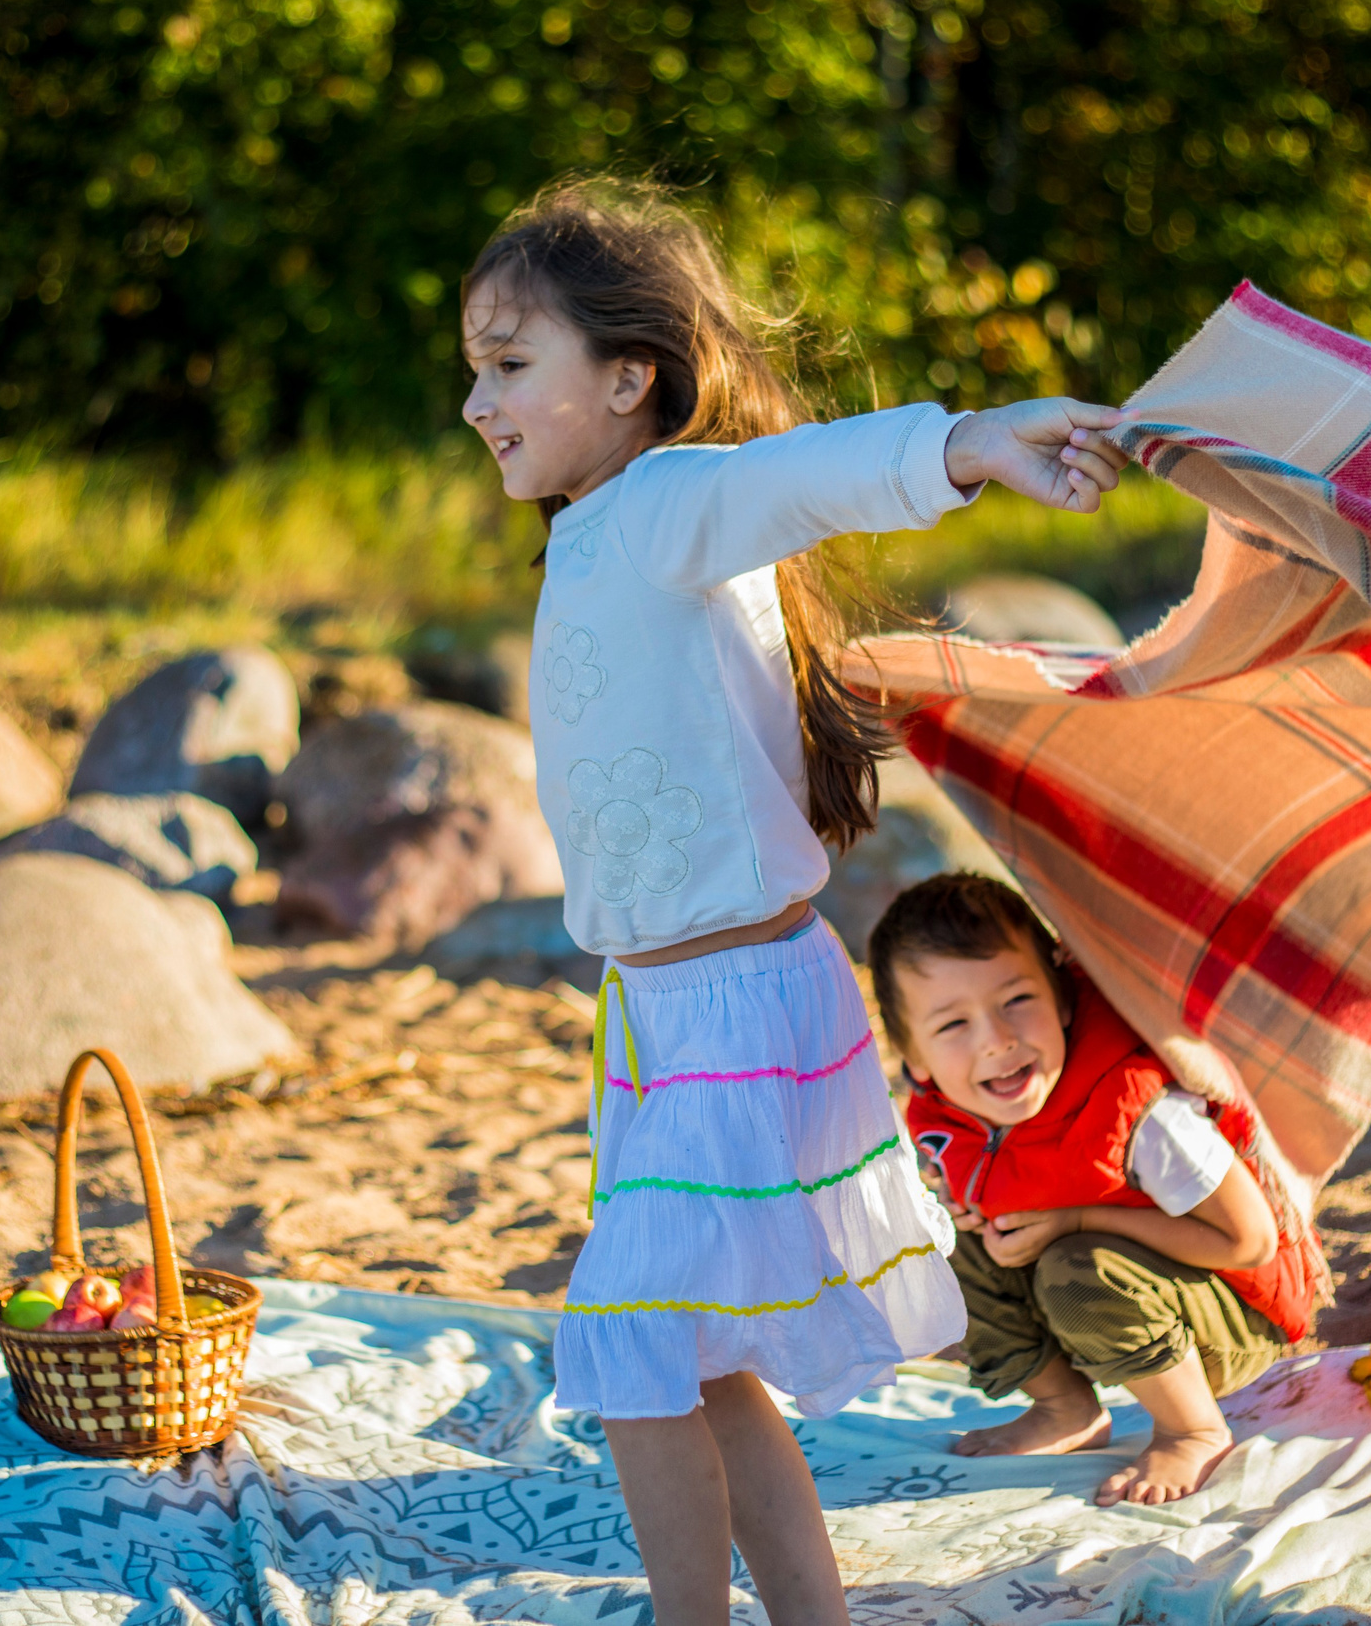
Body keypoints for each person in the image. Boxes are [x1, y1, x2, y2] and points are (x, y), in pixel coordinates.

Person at [459, 179, 1127, 1626]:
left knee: (634, 1347)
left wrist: (970, 443)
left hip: (736, 1009)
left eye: (509, 364)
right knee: (697, 1359)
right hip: (666, 1011)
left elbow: (805, 474)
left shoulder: (667, 501)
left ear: (630, 377)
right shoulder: (599, 525)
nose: (477, 402)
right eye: (474, 369)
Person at [867, 871, 1322, 1506]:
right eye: (952, 1025)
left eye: (1016, 1000)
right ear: (915, 1059)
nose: (997, 1039)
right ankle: (1066, 1410)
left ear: (1062, 999)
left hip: (1231, 1323)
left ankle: (1192, 1428)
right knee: (944, 1244)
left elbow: (1249, 1241)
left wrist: (1076, 1221)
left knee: (1076, 1265)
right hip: (1118, 1309)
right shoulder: (950, 1116)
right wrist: (973, 1217)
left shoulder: (1140, 1113)